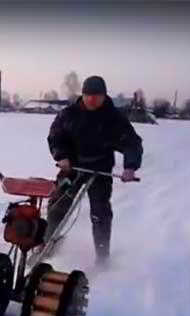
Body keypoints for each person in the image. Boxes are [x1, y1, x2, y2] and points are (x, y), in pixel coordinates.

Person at [44, 75, 143, 264]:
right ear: (83, 95)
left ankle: (102, 256)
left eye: (96, 96)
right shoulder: (69, 114)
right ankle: (48, 244)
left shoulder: (113, 118)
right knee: (58, 205)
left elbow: (132, 143)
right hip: (72, 166)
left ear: (104, 96)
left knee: (100, 213)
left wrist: (130, 166)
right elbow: (56, 136)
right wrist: (61, 155)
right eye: (88, 95)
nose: (91, 99)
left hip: (100, 169)